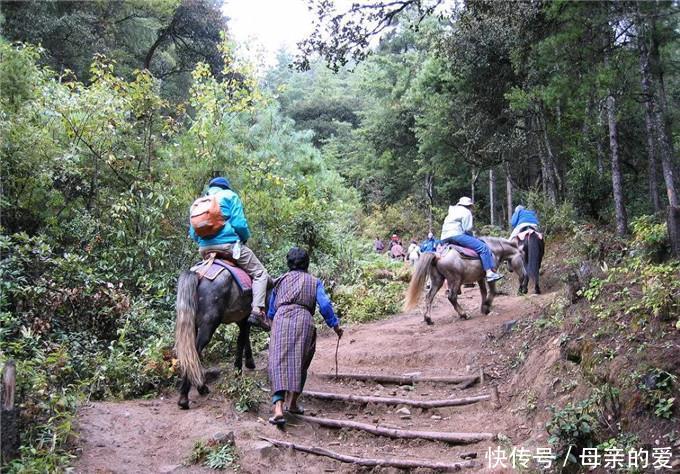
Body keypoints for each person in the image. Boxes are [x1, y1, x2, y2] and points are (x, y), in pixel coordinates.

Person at [267, 247, 343, 426]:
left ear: (288, 264)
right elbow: (324, 306)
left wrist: (273, 324)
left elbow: (271, 310)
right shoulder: (314, 281)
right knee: (301, 362)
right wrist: (335, 326)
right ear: (307, 264)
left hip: (281, 319)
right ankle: (292, 403)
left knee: (277, 362)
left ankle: (278, 408)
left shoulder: (280, 281)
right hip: (304, 321)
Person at [189, 177, 269, 325]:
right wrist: (244, 239)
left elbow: (193, 234)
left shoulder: (198, 204)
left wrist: (206, 242)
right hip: (228, 247)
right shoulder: (230, 196)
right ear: (226, 188)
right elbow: (239, 224)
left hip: (205, 250)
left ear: (210, 188)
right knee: (260, 273)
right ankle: (257, 311)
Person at [440, 197, 503, 282]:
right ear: (469, 205)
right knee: (483, 248)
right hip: (457, 235)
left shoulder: (452, 211)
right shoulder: (466, 212)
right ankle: (489, 273)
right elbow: (467, 228)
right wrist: (473, 237)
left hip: (444, 237)